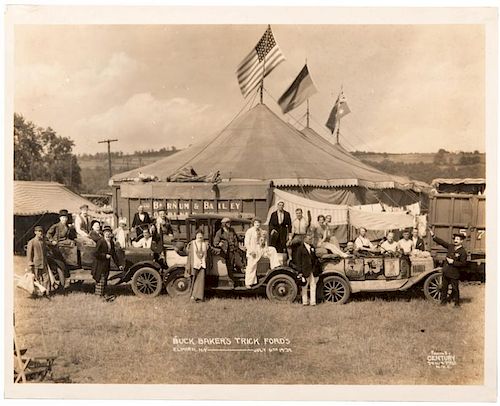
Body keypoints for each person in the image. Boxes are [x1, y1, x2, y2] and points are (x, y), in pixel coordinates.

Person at [430, 230, 468, 307]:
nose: (455, 241)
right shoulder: (451, 246)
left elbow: (463, 264)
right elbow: (442, 242)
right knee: (444, 288)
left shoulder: (463, 252)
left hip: (454, 273)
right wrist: (433, 236)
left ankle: (457, 304)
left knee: (455, 289)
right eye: (455, 239)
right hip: (446, 271)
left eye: (458, 239)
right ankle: (443, 303)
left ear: (461, 241)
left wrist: (453, 262)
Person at [92, 225, 123, 301]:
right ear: (103, 234)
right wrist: (105, 256)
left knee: (105, 278)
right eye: (106, 233)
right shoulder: (101, 242)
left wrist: (119, 265)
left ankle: (103, 294)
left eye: (109, 233)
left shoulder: (111, 242)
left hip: (106, 264)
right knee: (100, 279)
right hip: (99, 263)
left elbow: (114, 255)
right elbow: (95, 253)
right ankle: (98, 295)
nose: (108, 234)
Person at [213, 218, 242, 286]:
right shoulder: (220, 232)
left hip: (234, 250)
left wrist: (242, 239)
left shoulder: (232, 230)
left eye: (229, 222)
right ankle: (231, 282)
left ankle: (239, 279)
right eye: (227, 223)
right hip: (227, 252)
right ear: (224, 224)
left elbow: (237, 238)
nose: (229, 224)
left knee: (239, 264)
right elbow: (215, 242)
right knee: (229, 266)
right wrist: (219, 244)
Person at [295, 233, 321, 306]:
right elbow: (298, 261)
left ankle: (313, 302)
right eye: (309, 239)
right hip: (305, 270)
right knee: (304, 286)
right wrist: (300, 271)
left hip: (312, 270)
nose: (311, 240)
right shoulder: (300, 249)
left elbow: (315, 258)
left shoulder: (312, 247)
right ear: (304, 239)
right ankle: (305, 301)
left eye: (311, 239)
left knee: (313, 285)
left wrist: (316, 267)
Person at [184, 229, 209, 302]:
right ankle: (191, 296)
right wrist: (188, 266)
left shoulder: (205, 244)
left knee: (200, 281)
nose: (200, 236)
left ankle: (198, 297)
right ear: (196, 235)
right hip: (194, 264)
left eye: (201, 235)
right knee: (193, 280)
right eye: (198, 234)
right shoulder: (191, 244)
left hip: (202, 264)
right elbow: (189, 256)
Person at [27, 225, 51, 294]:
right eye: (39, 231)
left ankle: (46, 292)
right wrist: (30, 263)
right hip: (35, 264)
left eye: (41, 231)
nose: (40, 233)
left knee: (46, 278)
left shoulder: (43, 242)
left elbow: (46, 252)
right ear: (35, 232)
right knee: (37, 279)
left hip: (43, 263)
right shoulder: (32, 242)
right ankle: (38, 293)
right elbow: (29, 254)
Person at [244, 218, 265, 288]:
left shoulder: (261, 231)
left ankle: (254, 282)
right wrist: (251, 251)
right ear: (253, 223)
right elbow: (246, 243)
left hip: (259, 250)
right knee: (251, 266)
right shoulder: (250, 231)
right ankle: (248, 283)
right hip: (252, 251)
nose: (257, 224)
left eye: (258, 223)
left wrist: (263, 241)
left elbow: (263, 241)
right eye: (256, 223)